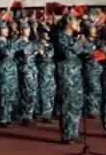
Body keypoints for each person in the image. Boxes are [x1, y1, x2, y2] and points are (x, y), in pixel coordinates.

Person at [55, 13, 87, 144]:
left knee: (76, 103)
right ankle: (67, 134)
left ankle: (74, 132)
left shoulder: (73, 38)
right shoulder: (61, 37)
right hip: (66, 75)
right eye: (75, 20)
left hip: (76, 74)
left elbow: (83, 52)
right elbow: (67, 53)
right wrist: (79, 43)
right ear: (68, 21)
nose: (77, 23)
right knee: (67, 104)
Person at [0, 21, 18, 127]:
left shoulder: (8, 41)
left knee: (11, 94)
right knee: (4, 95)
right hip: (4, 72)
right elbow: (7, 52)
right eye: (3, 28)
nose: (6, 30)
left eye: (7, 28)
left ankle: (8, 116)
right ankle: (3, 118)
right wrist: (15, 39)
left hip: (11, 71)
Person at [16, 20, 39, 125]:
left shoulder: (31, 42)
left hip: (33, 69)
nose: (29, 30)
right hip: (25, 70)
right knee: (27, 93)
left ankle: (29, 114)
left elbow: (36, 44)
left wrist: (35, 29)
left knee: (33, 93)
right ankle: (25, 116)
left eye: (29, 29)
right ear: (21, 30)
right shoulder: (18, 43)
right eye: (26, 29)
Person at [36, 25, 56, 123]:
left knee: (52, 92)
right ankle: (45, 114)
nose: (48, 34)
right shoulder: (38, 45)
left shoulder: (51, 45)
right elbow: (44, 57)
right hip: (43, 71)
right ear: (41, 34)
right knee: (44, 92)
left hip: (51, 72)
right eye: (46, 32)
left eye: (49, 32)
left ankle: (49, 113)